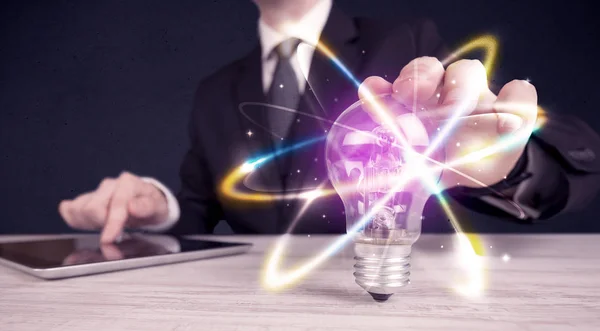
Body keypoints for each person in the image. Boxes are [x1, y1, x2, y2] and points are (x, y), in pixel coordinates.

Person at [58, 0, 600, 243]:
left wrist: (508, 160)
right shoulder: (216, 92)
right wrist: (153, 207)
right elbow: (196, 213)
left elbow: (578, 163)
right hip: (248, 324)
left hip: (385, 318)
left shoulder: (404, 44)